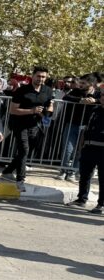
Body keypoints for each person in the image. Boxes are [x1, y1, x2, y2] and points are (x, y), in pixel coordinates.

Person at [0, 66, 54, 192]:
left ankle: (7, 172)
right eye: (38, 76)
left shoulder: (47, 90)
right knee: (24, 150)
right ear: (33, 76)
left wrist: (48, 111)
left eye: (43, 77)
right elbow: (13, 110)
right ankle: (20, 180)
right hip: (20, 124)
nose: (40, 79)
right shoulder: (22, 90)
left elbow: (50, 105)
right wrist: (32, 111)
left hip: (35, 125)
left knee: (25, 152)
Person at [66, 86, 103, 214]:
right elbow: (86, 127)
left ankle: (101, 205)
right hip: (89, 147)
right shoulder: (95, 110)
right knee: (85, 175)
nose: (103, 98)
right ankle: (81, 199)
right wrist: (82, 145)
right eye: (102, 96)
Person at [58, 74, 99, 181]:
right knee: (68, 149)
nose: (80, 85)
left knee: (79, 151)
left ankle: (72, 172)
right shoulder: (76, 91)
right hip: (72, 124)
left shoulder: (97, 94)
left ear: (91, 84)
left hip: (86, 127)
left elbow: (101, 100)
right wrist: (81, 100)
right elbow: (66, 97)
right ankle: (63, 170)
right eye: (80, 82)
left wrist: (95, 101)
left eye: (83, 83)